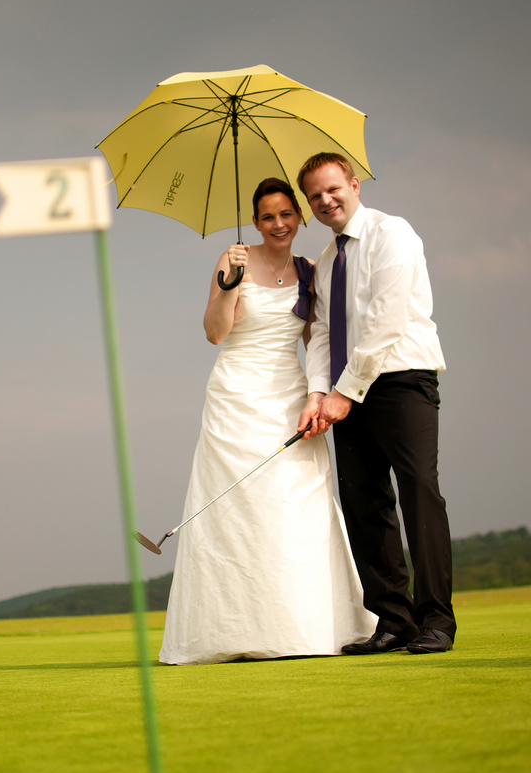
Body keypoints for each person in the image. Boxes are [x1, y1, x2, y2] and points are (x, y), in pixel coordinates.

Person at [159, 177, 375, 664]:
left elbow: (314, 341)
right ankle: (231, 631)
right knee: (239, 509)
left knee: (295, 506)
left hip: (288, 396)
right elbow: (215, 334)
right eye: (267, 217)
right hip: (235, 396)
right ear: (255, 222)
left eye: (285, 214)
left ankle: (304, 630)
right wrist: (227, 287)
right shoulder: (232, 260)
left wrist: (322, 397)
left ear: (299, 217)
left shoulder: (311, 270)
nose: (278, 224)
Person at [296, 153, 456, 654]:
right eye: (315, 196)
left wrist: (345, 392)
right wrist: (318, 395)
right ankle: (394, 620)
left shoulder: (394, 234)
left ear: (354, 184)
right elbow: (321, 333)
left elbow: (387, 318)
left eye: (332, 189)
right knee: (365, 502)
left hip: (401, 378)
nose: (325, 201)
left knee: (418, 492)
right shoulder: (325, 263)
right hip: (346, 391)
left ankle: (437, 621)